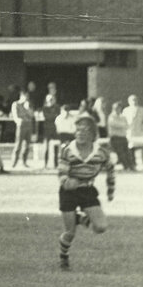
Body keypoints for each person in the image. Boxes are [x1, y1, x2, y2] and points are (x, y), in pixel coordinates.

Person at [56, 114, 115, 271]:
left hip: (87, 190)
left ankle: (80, 219)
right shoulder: (67, 150)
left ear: (92, 133)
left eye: (85, 130)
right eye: (78, 130)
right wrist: (66, 181)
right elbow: (61, 172)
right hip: (68, 192)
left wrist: (111, 189)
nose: (80, 133)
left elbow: (110, 169)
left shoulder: (101, 152)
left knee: (101, 227)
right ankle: (63, 257)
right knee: (70, 232)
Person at [106, 101, 135, 171]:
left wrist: (122, 125)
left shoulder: (123, 117)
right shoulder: (111, 116)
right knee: (121, 153)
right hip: (115, 138)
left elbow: (127, 126)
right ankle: (126, 167)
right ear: (113, 109)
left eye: (119, 108)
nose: (118, 109)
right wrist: (122, 125)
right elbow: (114, 124)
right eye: (116, 108)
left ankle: (131, 167)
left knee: (127, 152)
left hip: (123, 137)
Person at [10, 90, 35, 168]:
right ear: (21, 96)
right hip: (21, 125)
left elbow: (32, 115)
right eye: (25, 96)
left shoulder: (28, 104)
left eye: (27, 96)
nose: (26, 98)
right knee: (18, 144)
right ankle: (14, 162)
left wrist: (27, 108)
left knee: (27, 145)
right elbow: (14, 115)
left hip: (29, 125)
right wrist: (18, 121)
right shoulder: (16, 104)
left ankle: (24, 162)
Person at [41, 94, 61, 168]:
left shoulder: (57, 107)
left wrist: (52, 116)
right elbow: (47, 116)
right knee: (46, 147)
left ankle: (56, 164)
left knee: (56, 147)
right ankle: (45, 164)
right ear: (46, 100)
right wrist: (54, 115)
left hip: (55, 129)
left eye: (52, 99)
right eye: (49, 99)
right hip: (47, 129)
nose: (50, 101)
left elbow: (58, 116)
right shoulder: (44, 108)